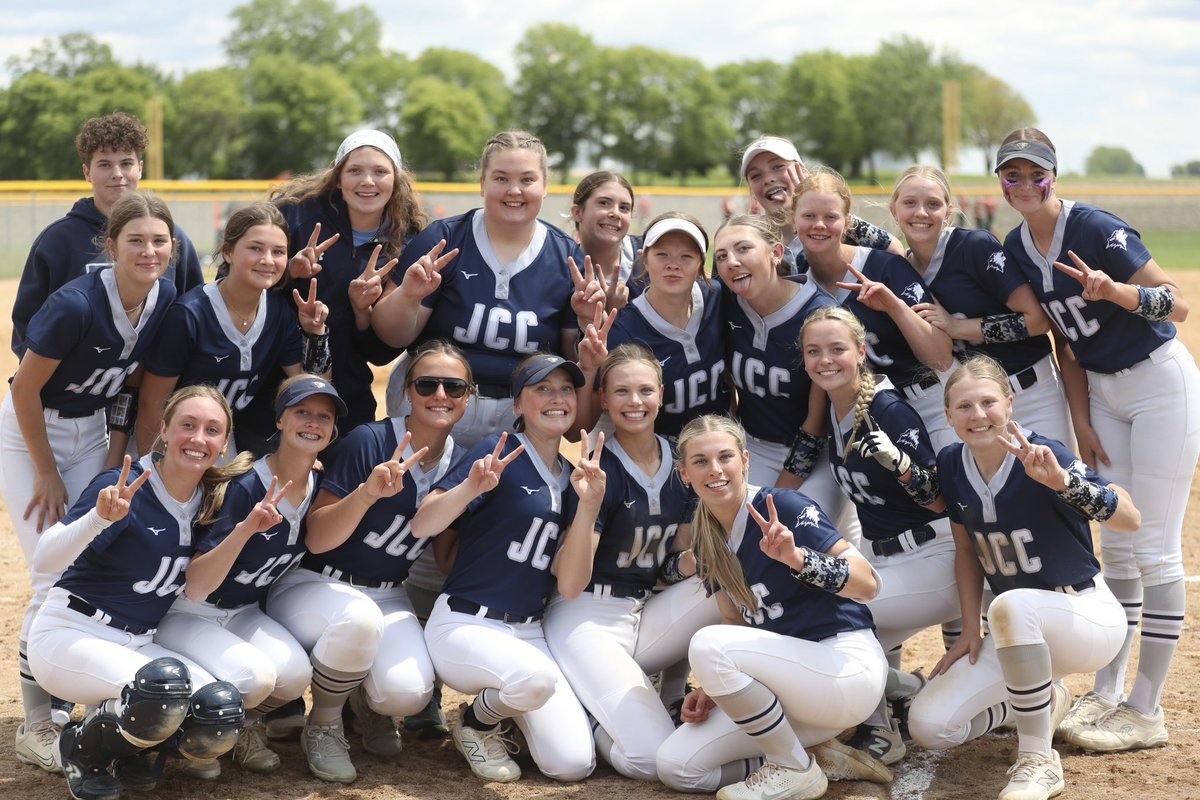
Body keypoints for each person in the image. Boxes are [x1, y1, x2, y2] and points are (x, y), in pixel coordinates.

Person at [995, 128, 1200, 752]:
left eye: (1036, 174)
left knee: (1157, 548)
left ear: (1054, 176)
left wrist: (1115, 291)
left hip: (1159, 382)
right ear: (1001, 182)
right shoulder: (1015, 245)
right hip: (1104, 395)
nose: (1025, 186)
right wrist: (1081, 419)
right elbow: (1066, 344)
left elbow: (1177, 305)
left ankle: (1147, 707)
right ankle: (1110, 688)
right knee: (1115, 545)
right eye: (1012, 176)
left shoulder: (1094, 230)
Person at [1, 190, 178, 773]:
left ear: (172, 248)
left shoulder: (164, 296)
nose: (148, 250)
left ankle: (78, 691)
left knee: (90, 555)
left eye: (158, 240)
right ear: (111, 245)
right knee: (52, 566)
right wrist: (47, 472)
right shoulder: (76, 304)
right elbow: (25, 390)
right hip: (32, 434)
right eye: (136, 240)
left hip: (94, 433)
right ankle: (36, 723)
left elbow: (132, 394)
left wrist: (119, 457)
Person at [908, 355, 1138, 800]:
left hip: (1083, 615)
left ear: (1009, 404)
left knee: (1011, 604)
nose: (978, 415)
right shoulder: (954, 465)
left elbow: (1128, 517)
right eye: (964, 407)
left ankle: (1038, 759)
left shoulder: (1043, 452)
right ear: (949, 415)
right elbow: (967, 552)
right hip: (1018, 632)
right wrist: (970, 628)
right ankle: (1042, 701)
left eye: (988, 402)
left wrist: (1062, 483)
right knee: (931, 726)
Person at [27, 385, 253, 799]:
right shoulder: (125, 483)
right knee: (161, 692)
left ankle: (131, 745)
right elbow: (44, 560)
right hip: (71, 632)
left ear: (223, 445)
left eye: (212, 430)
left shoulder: (210, 499)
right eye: (187, 425)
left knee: (217, 714)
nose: (198, 438)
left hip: (137, 644)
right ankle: (81, 748)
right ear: (164, 430)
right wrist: (98, 518)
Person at [263, 341, 469, 782]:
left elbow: (440, 544)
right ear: (407, 391)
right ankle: (325, 723)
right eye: (427, 384)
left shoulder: (462, 462)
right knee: (357, 619)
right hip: (314, 582)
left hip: (388, 592)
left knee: (409, 695)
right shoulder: (369, 439)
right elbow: (316, 539)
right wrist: (368, 493)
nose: (440, 395)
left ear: (468, 397)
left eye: (453, 386)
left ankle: (365, 699)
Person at [655, 415, 889, 800]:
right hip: (788, 690)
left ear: (745, 460)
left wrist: (797, 558)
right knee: (677, 766)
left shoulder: (782, 505)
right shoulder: (707, 534)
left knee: (707, 643)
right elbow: (735, 623)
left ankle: (792, 767)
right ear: (684, 473)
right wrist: (717, 689)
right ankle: (806, 756)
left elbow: (868, 584)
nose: (715, 470)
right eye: (700, 461)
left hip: (844, 669)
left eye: (725, 457)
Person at [411, 353, 601, 784]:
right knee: (533, 680)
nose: (557, 398)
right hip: (464, 622)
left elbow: (570, 586)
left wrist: (588, 507)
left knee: (571, 764)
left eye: (566, 388)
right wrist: (470, 487)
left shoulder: (578, 479)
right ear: (518, 405)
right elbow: (424, 523)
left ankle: (500, 709)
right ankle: (477, 724)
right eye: (542, 389)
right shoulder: (497, 452)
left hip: (529, 631)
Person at [151, 375, 345, 779]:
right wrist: (246, 530)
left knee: (293, 676)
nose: (312, 422)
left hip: (239, 610)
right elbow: (196, 581)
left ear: (333, 430)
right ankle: (192, 737)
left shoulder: (318, 483)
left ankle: (239, 726)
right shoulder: (245, 485)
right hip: (190, 610)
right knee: (254, 678)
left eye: (323, 417)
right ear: (279, 420)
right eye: (301, 412)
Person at [543, 344, 721, 781]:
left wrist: (693, 563)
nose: (634, 402)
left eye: (645, 390)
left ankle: (725, 699)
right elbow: (568, 584)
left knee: (728, 580)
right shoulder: (597, 467)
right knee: (649, 758)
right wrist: (590, 505)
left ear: (661, 393)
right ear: (602, 398)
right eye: (621, 391)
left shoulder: (681, 458)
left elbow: (672, 563)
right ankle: (595, 719)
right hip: (586, 615)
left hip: (643, 610)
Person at [800, 306, 959, 765]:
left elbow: (938, 500)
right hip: (889, 559)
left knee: (839, 613)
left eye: (836, 350)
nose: (825, 360)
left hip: (935, 556)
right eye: (814, 352)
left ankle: (881, 730)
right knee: (850, 619)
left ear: (861, 352)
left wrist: (904, 467)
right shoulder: (835, 407)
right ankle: (902, 694)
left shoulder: (887, 411)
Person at [374, 130, 598, 447]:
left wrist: (586, 322)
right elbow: (391, 337)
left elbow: (571, 364)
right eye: (501, 178)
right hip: (436, 400)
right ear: (482, 183)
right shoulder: (445, 238)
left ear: (545, 186)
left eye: (527, 179)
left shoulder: (567, 258)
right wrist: (409, 296)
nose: (514, 190)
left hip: (521, 413)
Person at [890, 165, 1071, 451]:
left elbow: (1037, 320)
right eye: (910, 203)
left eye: (933, 204)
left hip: (1032, 393)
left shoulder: (974, 246)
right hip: (976, 410)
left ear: (948, 212)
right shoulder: (901, 269)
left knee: (1055, 488)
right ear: (894, 210)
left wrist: (957, 326)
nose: (921, 213)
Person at [137, 203, 331, 457]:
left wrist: (315, 334)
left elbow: (312, 389)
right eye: (255, 248)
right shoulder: (189, 315)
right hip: (173, 440)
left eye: (278, 251)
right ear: (228, 252)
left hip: (220, 441)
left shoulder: (278, 311)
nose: (268, 260)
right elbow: (151, 404)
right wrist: (153, 468)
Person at [12, 112, 203, 357]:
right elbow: (28, 324)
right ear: (87, 172)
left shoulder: (168, 238)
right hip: (77, 386)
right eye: (104, 164)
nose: (117, 173)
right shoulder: (58, 240)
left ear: (140, 168)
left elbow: (192, 313)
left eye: (126, 163)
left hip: (148, 383)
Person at [273, 129, 427, 430]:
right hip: (272, 383)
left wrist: (362, 311)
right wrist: (288, 270)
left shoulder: (407, 242)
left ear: (395, 179)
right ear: (338, 175)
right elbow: (236, 280)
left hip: (345, 397)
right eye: (355, 170)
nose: (367, 181)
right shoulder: (295, 214)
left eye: (380, 171)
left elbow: (380, 353)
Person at [789, 170, 953, 450]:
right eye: (809, 216)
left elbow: (941, 357)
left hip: (926, 403)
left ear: (848, 221)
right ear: (794, 220)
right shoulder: (796, 278)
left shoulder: (884, 266)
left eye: (831, 217)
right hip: (862, 417)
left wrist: (894, 307)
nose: (819, 225)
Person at [711, 214, 836, 491]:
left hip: (820, 454)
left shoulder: (818, 315)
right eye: (721, 256)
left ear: (776, 253)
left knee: (797, 526)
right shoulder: (724, 300)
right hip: (752, 445)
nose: (732, 261)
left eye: (744, 248)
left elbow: (817, 425)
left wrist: (781, 493)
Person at [597, 212, 729, 440]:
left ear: (701, 264)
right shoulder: (624, 328)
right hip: (658, 449)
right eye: (662, 255)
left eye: (686, 256)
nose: (673, 265)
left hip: (718, 444)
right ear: (645, 260)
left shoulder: (719, 298)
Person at [739, 135, 904, 273]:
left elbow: (895, 251)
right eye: (756, 176)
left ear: (803, 171)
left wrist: (817, 203)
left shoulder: (837, 228)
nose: (768, 179)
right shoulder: (753, 241)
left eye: (778, 167)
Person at [569, 170, 644, 307]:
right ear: (578, 212)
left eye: (624, 208)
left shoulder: (648, 257)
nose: (616, 213)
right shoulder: (560, 265)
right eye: (604, 203)